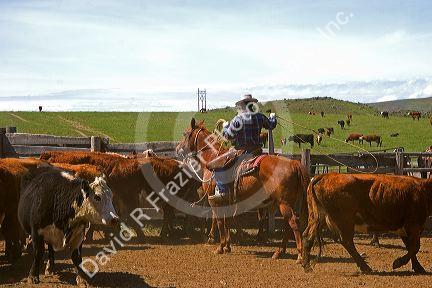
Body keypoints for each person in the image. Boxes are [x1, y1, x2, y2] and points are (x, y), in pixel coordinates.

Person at [207, 94, 276, 200]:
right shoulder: (260, 116)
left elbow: (228, 136)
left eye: (240, 106)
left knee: (218, 167)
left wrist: (226, 127)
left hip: (241, 152)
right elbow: (271, 125)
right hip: (257, 151)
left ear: (243, 105)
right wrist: (272, 117)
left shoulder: (237, 119)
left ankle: (223, 192)